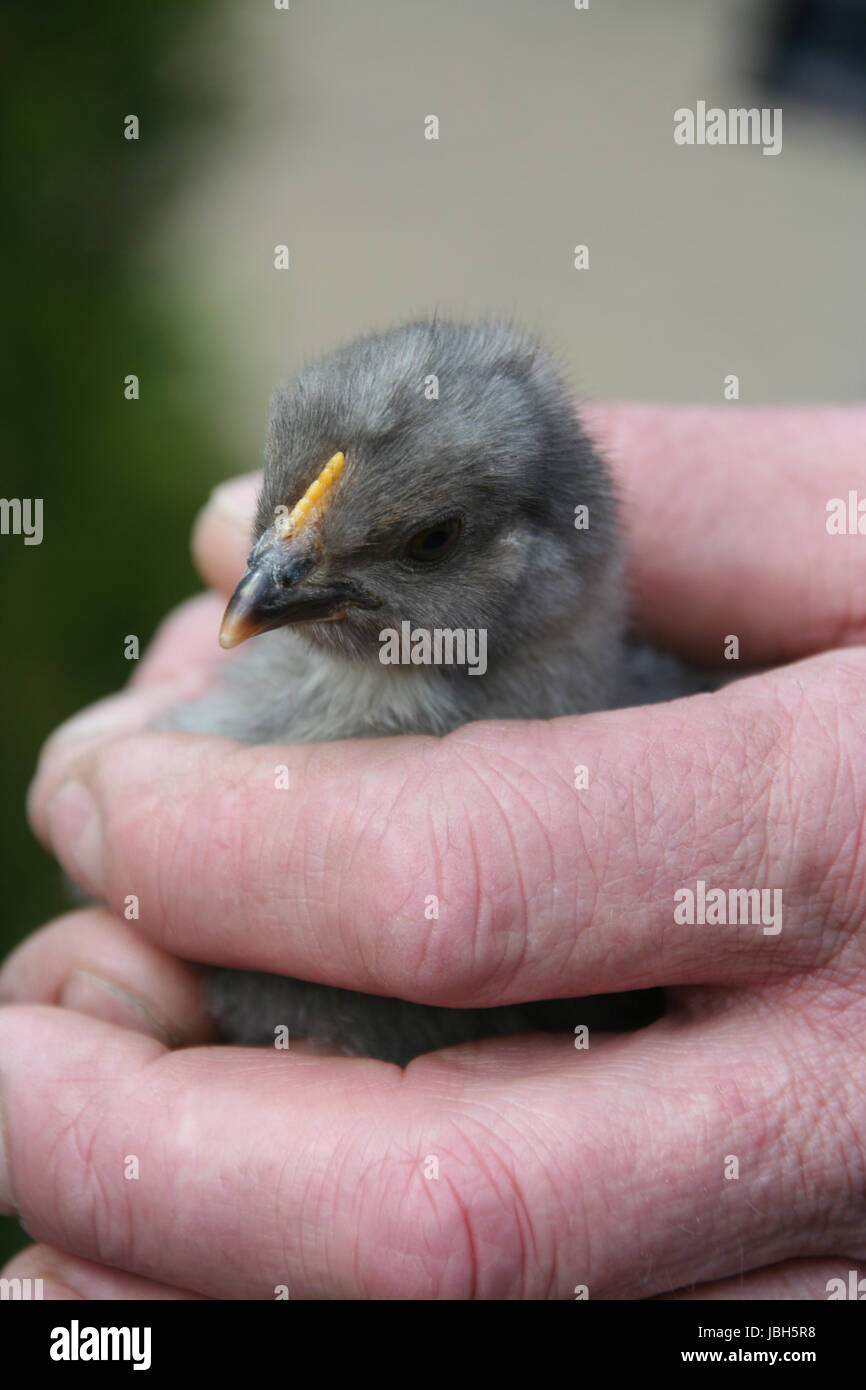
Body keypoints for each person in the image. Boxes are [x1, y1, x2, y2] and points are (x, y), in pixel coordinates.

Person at [1, 403, 864, 1300]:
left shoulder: (669, 756)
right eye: (278, 534)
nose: (269, 587)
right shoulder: (220, 736)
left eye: (428, 542)